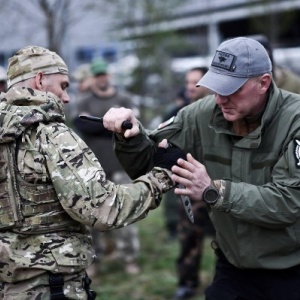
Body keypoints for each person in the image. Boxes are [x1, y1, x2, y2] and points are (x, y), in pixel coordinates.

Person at [103, 37, 300, 300]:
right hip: (233, 268)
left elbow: (288, 202)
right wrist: (129, 135)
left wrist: (214, 191)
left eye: (231, 89)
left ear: (263, 83)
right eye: (216, 87)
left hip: (290, 271)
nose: (220, 99)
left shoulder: (294, 121)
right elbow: (146, 163)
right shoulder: (202, 114)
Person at [0, 45, 184, 300]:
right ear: (40, 80)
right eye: (63, 86)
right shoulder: (52, 136)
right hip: (51, 286)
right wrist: (161, 176)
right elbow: (104, 209)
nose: (66, 98)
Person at [72, 58, 142, 276]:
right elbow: (81, 125)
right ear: (93, 78)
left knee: (125, 212)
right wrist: (113, 126)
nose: (102, 78)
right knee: (94, 215)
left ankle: (129, 256)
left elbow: (134, 126)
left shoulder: (124, 98)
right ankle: (95, 259)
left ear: (109, 76)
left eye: (104, 74)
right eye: (97, 75)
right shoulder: (84, 101)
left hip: (121, 165)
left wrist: (100, 124)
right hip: (93, 168)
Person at [163, 66, 214, 299]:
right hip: (191, 190)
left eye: (195, 82)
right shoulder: (178, 114)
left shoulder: (224, 112)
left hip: (222, 186)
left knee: (229, 240)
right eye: (186, 83)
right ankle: (187, 282)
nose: (189, 88)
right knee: (189, 239)